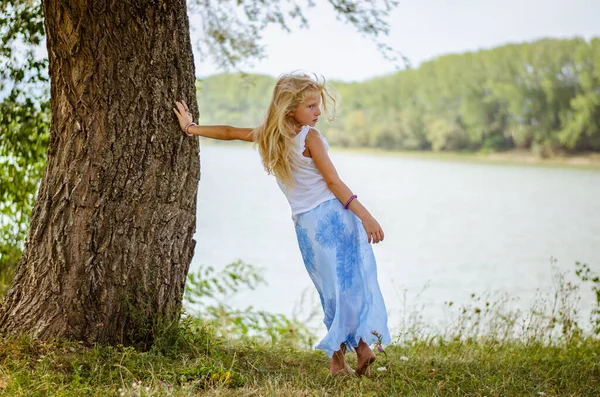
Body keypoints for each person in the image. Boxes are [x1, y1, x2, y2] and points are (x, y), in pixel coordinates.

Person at [173, 72, 391, 377]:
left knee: (331, 289)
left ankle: (345, 359)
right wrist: (365, 215)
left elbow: (229, 131)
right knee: (346, 286)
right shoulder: (308, 137)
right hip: (334, 217)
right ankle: (355, 353)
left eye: (318, 105)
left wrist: (191, 128)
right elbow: (333, 182)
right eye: (311, 106)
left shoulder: (270, 136)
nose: (318, 112)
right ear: (291, 110)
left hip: (307, 225)